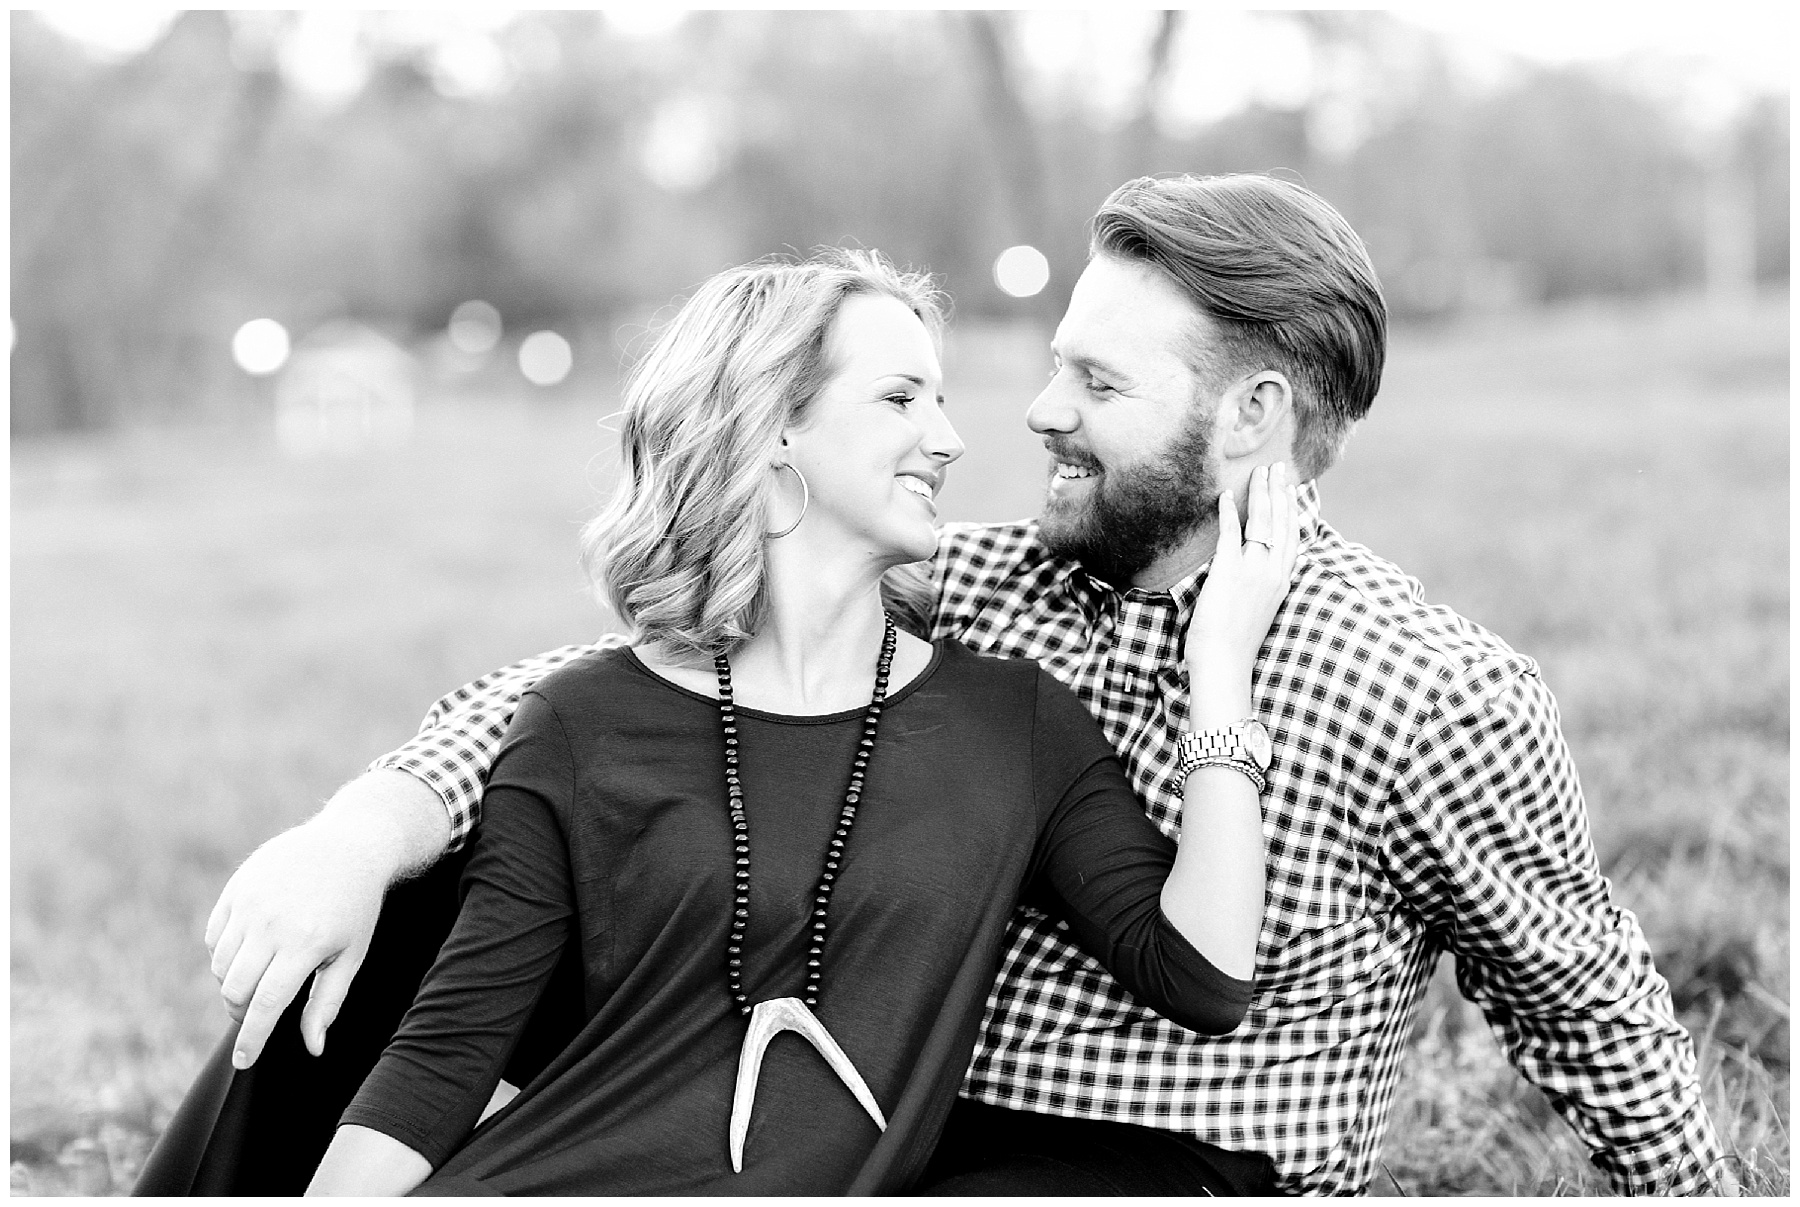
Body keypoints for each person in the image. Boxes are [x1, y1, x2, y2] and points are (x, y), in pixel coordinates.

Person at [198, 174, 1729, 1195]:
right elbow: (613, 689)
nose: (1039, 411)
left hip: (1149, 1158)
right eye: (1056, 359)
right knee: (391, 927)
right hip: (870, 1089)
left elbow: (1596, 1009)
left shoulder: (1430, 688)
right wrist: (364, 821)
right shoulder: (974, 571)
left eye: (1102, 384)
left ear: (1254, 417)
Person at [188, 251, 1299, 1196]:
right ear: (774, 434)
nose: (952, 439)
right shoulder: (580, 724)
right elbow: (442, 1062)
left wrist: (1220, 675)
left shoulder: (1014, 725)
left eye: (942, 399)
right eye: (903, 399)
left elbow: (1200, 972)